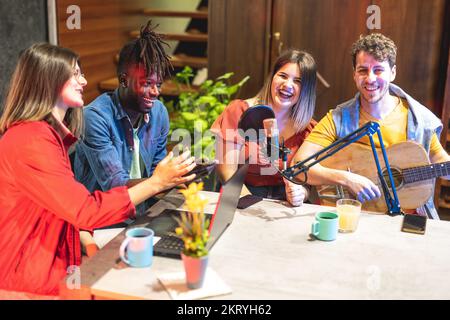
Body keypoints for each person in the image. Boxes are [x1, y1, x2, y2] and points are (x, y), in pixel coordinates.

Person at [0, 43, 196, 296]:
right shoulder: (32, 140)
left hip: (56, 262)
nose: (83, 80)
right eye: (75, 73)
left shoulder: (45, 136)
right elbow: (85, 209)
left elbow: (62, 206)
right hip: (28, 278)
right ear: (49, 80)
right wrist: (156, 182)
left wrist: (86, 240)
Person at [293, 33, 450, 218]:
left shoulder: (418, 120)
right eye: (362, 70)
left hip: (406, 221)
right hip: (352, 215)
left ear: (393, 73)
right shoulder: (337, 119)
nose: (370, 79)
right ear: (354, 74)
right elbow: (298, 167)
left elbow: (440, 161)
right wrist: (346, 179)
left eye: (378, 70)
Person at [73, 21, 173, 216]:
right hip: (103, 221)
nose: (155, 92)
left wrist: (179, 177)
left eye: (158, 84)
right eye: (146, 83)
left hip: (142, 213)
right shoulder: (95, 117)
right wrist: (164, 180)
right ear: (123, 80)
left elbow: (156, 172)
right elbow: (115, 187)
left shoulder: (159, 113)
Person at [211, 49, 317, 206]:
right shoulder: (239, 111)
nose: (288, 85)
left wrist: (301, 192)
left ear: (306, 91)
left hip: (284, 206)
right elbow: (226, 171)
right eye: (283, 76)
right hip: (243, 197)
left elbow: (308, 182)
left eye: (298, 81)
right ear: (272, 78)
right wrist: (249, 202)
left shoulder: (308, 128)